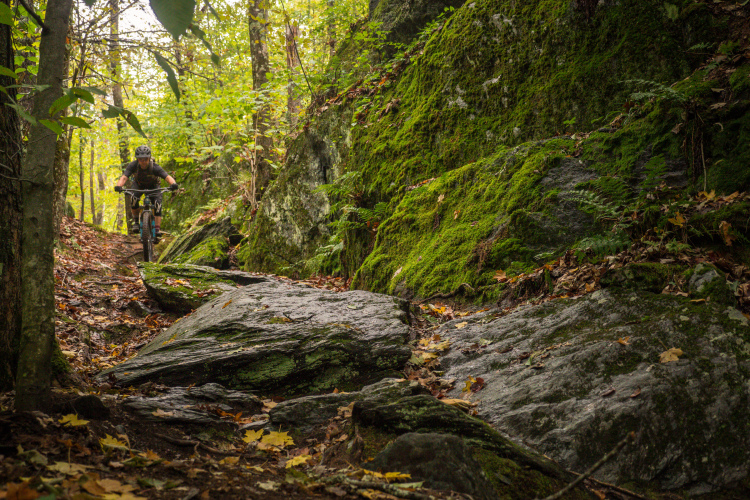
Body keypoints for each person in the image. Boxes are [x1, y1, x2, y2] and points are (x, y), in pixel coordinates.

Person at [114, 145, 178, 241]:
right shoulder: (133, 165)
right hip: (139, 185)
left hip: (153, 185)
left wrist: (173, 184)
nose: (143, 161)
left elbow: (167, 177)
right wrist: (119, 186)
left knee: (157, 204)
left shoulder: (155, 167)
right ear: (137, 159)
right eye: (140, 159)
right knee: (134, 198)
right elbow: (124, 177)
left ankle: (157, 230)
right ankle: (136, 222)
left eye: (145, 159)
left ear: (149, 158)